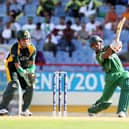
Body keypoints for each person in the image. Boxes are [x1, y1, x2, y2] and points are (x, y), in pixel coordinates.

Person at [88, 35, 129, 117]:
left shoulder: (108, 47)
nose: (95, 46)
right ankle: (92, 110)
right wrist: (112, 47)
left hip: (121, 73)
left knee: (127, 84)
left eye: (96, 43)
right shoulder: (98, 55)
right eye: (93, 45)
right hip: (111, 77)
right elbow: (106, 55)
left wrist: (117, 45)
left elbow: (116, 49)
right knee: (106, 102)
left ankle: (121, 111)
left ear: (101, 42)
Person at [0, 30, 36, 116]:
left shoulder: (32, 49)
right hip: (12, 67)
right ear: (19, 40)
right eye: (23, 39)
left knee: (30, 86)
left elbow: (32, 65)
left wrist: (30, 71)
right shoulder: (15, 47)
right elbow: (16, 65)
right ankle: (2, 107)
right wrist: (22, 72)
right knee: (14, 84)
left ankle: (25, 109)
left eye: (27, 39)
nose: (25, 41)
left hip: (24, 67)